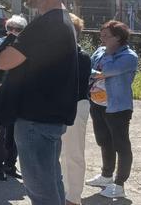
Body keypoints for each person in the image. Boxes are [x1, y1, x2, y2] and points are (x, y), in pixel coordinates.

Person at [0, 0, 78, 205]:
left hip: (36, 120)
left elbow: (4, 62)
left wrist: (11, 45)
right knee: (52, 184)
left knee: (41, 190)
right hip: (49, 117)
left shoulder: (47, 24)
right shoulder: (63, 19)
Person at [86, 20, 138, 199]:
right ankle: (106, 176)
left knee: (121, 145)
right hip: (97, 104)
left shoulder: (129, 56)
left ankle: (119, 184)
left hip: (118, 108)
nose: (102, 38)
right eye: (101, 35)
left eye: (106, 36)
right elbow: (87, 69)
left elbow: (108, 71)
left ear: (118, 38)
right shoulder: (100, 51)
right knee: (103, 141)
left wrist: (107, 56)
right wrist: (95, 71)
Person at [0, 14, 27, 182]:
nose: (13, 32)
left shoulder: (23, 47)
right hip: (0, 93)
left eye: (18, 29)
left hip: (16, 94)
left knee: (14, 131)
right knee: (2, 130)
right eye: (10, 28)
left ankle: (10, 165)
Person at [61, 13, 92, 205]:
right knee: (55, 154)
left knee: (73, 153)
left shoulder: (81, 57)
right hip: (54, 107)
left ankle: (73, 198)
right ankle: (59, 193)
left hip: (75, 106)